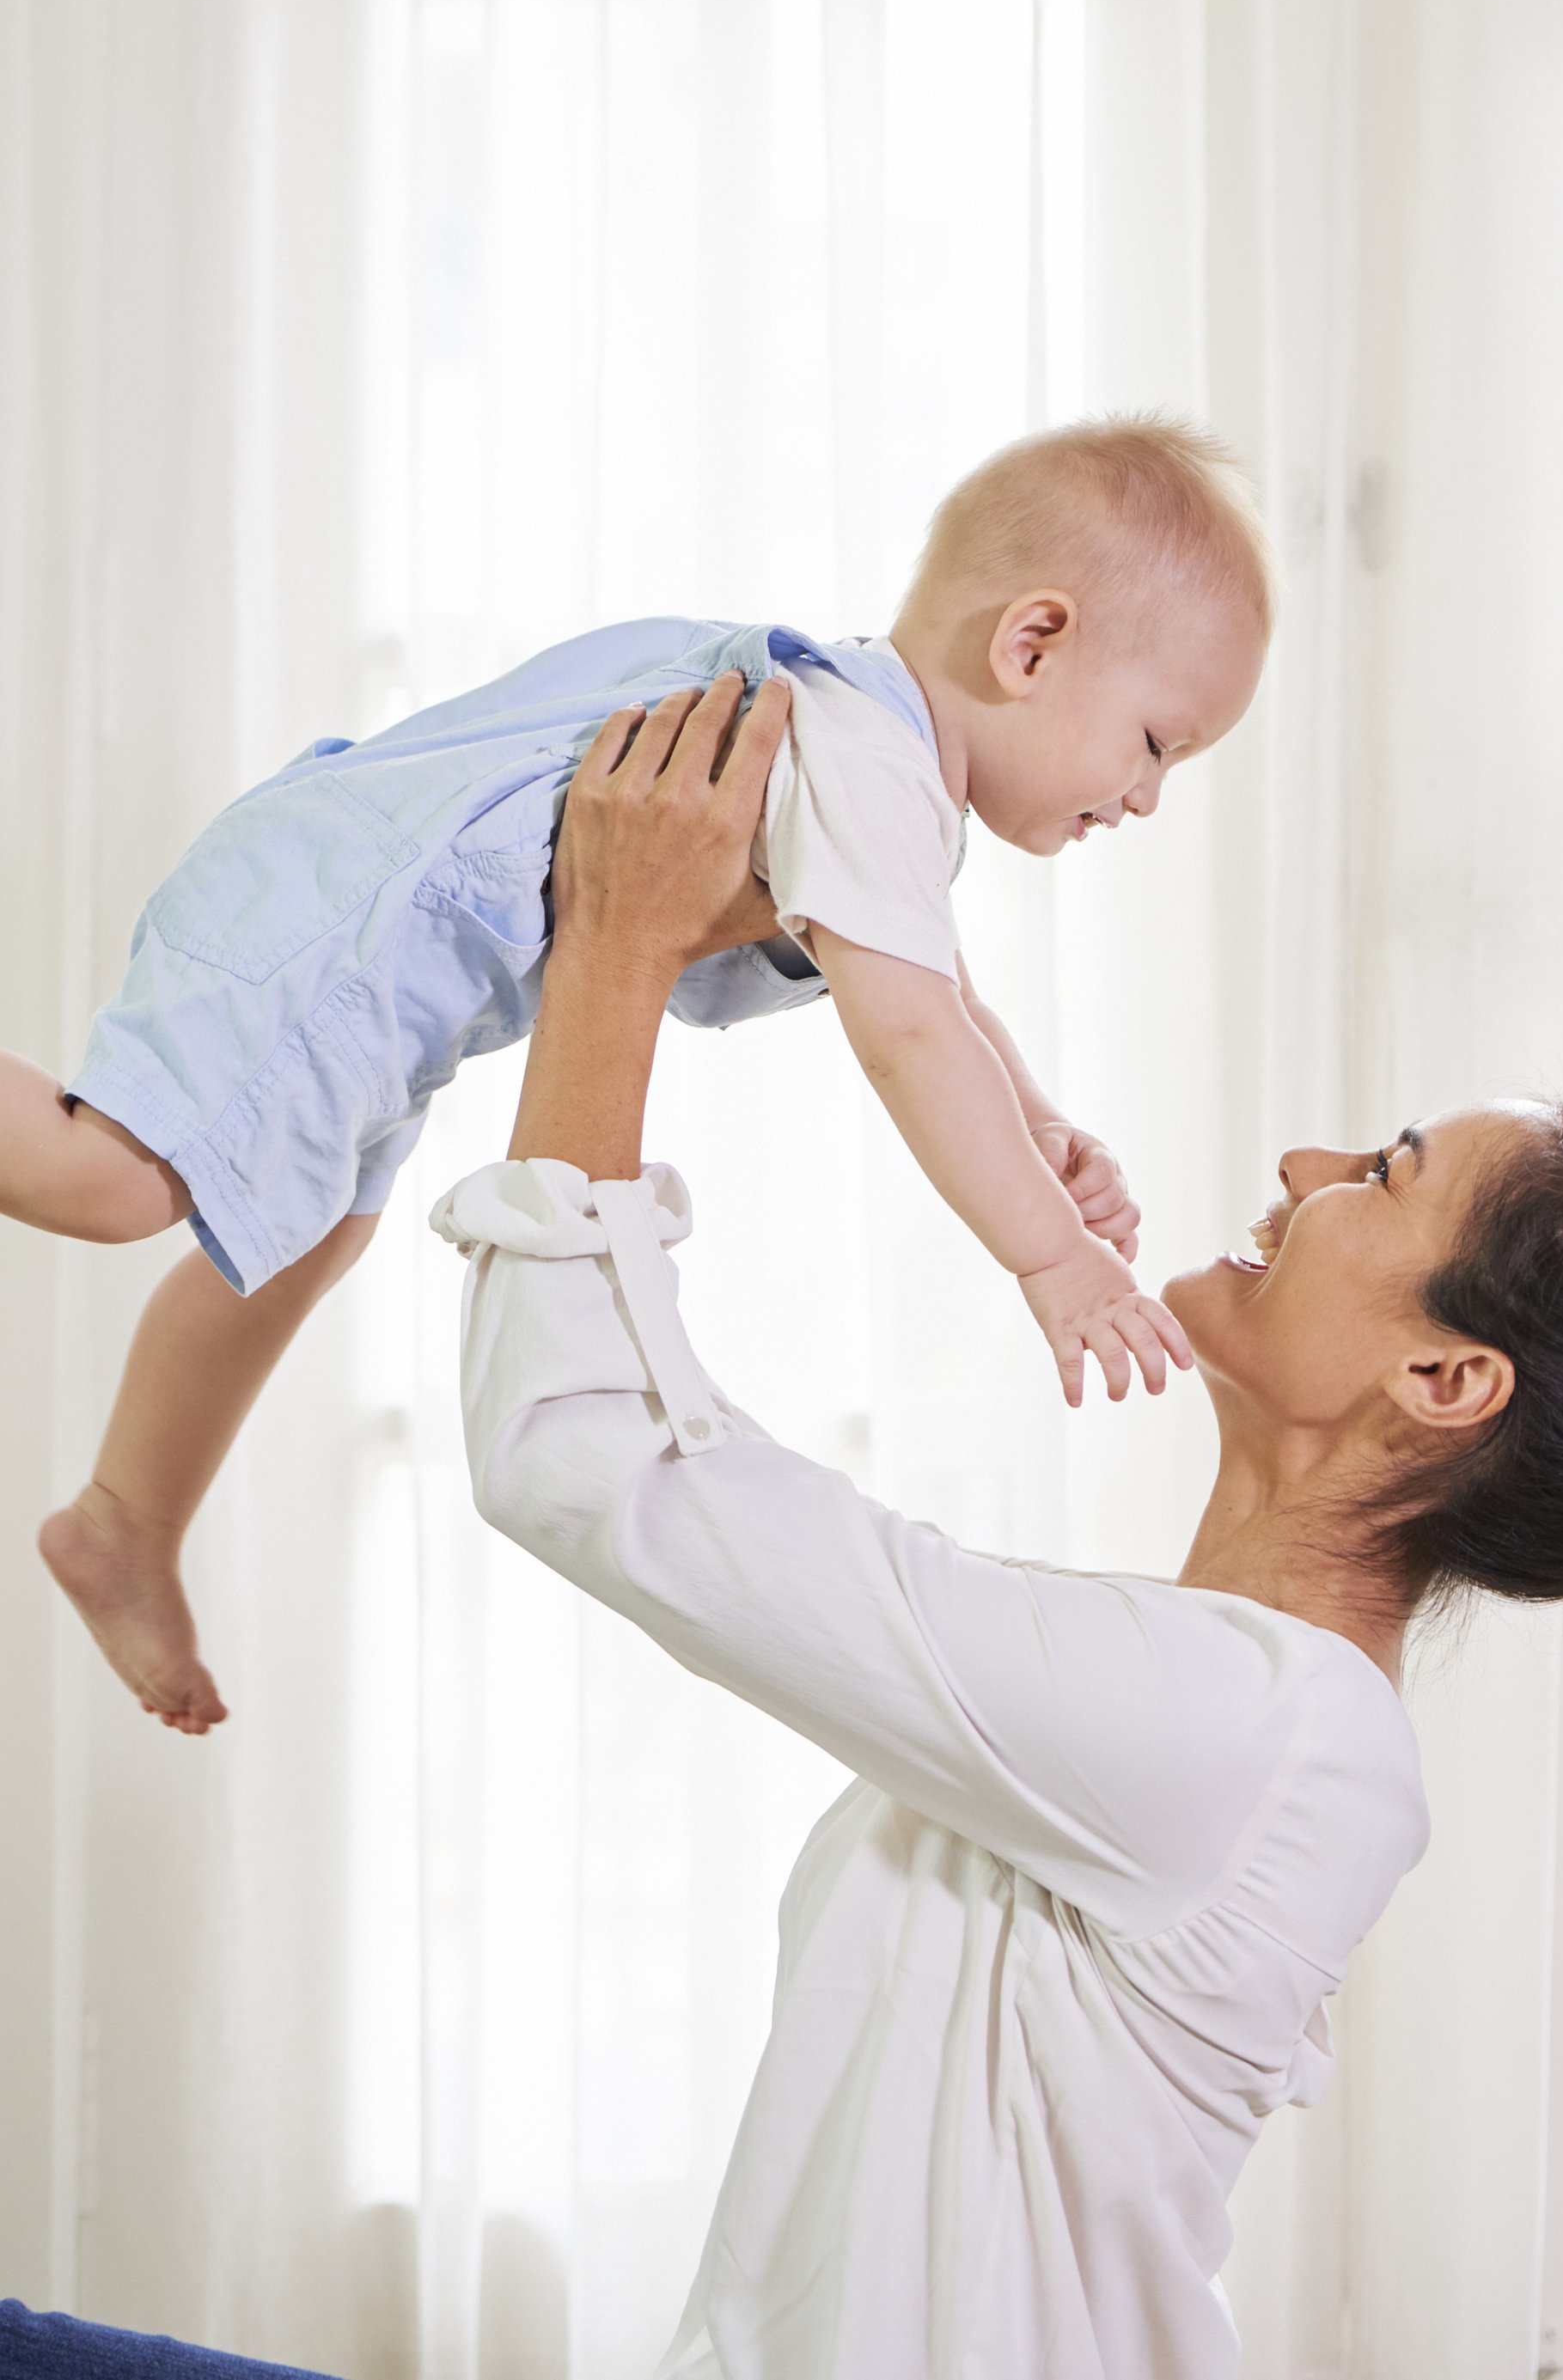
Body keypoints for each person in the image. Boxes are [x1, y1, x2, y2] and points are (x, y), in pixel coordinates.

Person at [427, 666, 1563, 2379]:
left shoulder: (1248, 1732)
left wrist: (613, 954)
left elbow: (591, 1467)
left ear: (1442, 1379)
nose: (1299, 1164)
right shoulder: (1229, 1706)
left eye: (1380, 1173)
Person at [1, 416, 1273, 1735]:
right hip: (352, 917)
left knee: (307, 1232)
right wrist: (1053, 1257)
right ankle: (121, 1518)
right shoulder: (864, 752)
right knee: (111, 1178)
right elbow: (912, 1038)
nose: (1148, 796)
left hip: (375, 936)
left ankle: (122, 1521)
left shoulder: (865, 748)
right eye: (1156, 744)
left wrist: (1041, 1124)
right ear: (1034, 643)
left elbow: (939, 998)